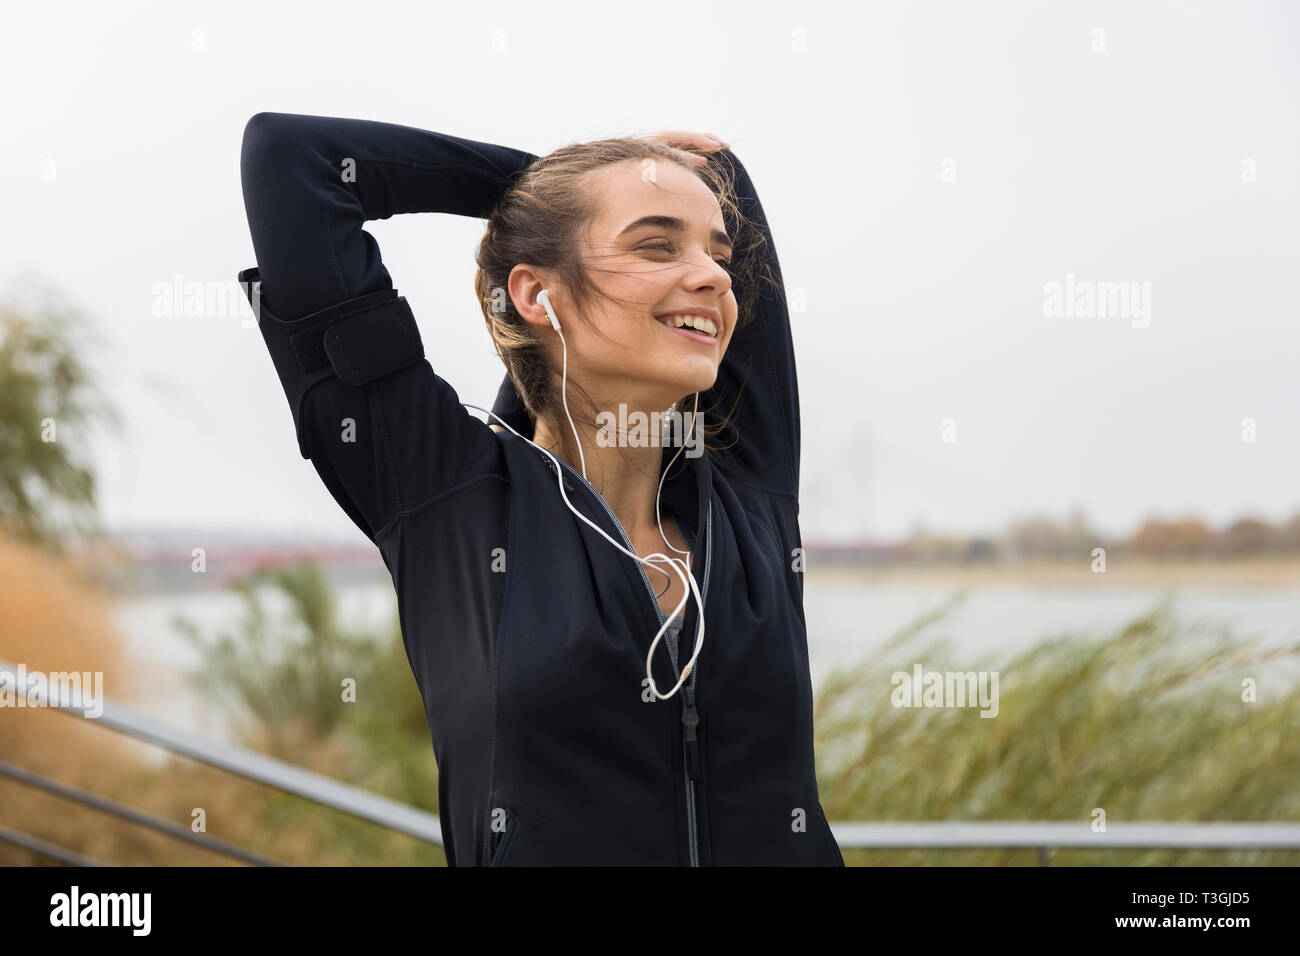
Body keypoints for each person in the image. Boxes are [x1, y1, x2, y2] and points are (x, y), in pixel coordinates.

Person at [237, 111, 843, 866]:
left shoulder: (748, 496)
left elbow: (730, 182)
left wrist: (634, 179)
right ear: (535, 292)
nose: (715, 276)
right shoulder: (448, 497)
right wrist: (539, 188)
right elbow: (295, 160)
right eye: (656, 244)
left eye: (717, 255)